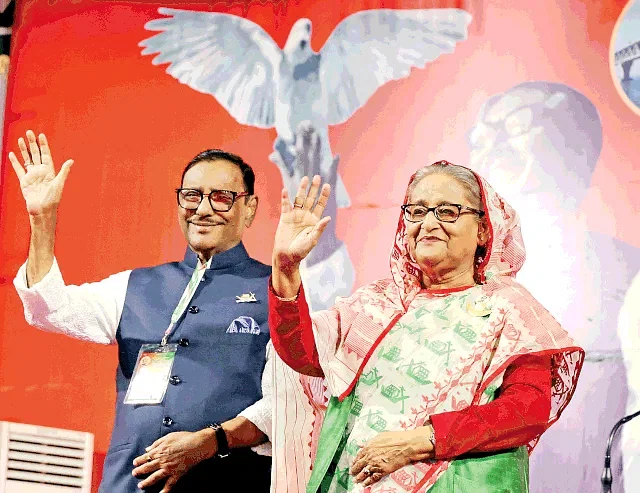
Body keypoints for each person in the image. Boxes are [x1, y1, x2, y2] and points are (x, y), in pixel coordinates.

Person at [268, 160, 584, 492]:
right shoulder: (379, 302)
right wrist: (286, 269)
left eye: (447, 211)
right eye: (417, 212)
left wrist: (423, 440)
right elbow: (303, 353)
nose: (428, 222)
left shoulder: (511, 308)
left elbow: (527, 410)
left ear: (483, 229)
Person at [10, 130, 273, 493]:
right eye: (192, 196)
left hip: (228, 479)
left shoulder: (278, 292)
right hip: (129, 482)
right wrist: (43, 218)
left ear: (250, 208)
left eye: (222, 197)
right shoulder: (137, 284)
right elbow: (48, 309)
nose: (203, 208)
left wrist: (211, 442)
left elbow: (286, 405)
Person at [468, 81, 639, 492]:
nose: (494, 146)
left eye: (517, 126)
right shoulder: (447, 283)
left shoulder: (629, 276)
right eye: (484, 135)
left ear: (576, 152)